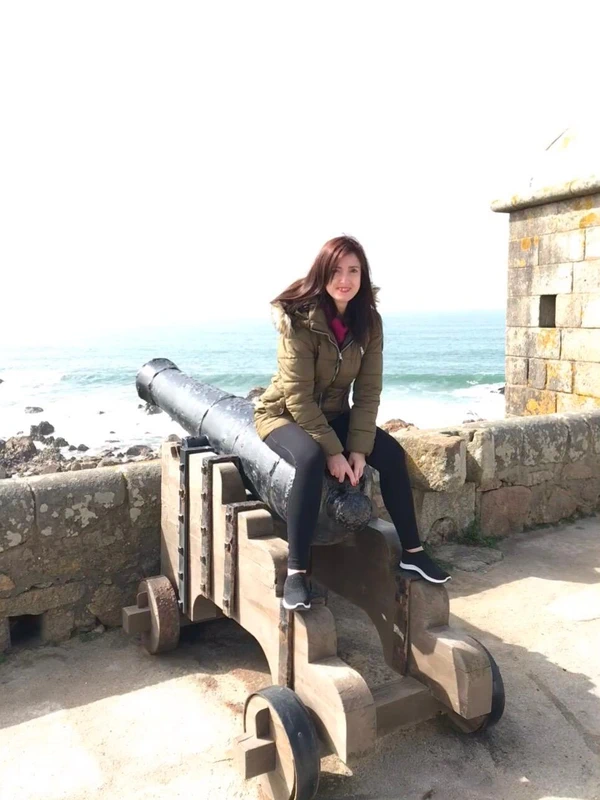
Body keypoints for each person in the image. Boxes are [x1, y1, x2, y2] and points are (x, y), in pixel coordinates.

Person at [254, 235, 450, 611]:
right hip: (283, 414)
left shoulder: (368, 323)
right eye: (336, 271)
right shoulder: (299, 320)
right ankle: (297, 572)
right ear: (322, 274)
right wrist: (333, 451)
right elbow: (298, 398)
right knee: (310, 459)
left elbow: (368, 391)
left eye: (354, 271)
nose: (345, 279)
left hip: (334, 413)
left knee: (390, 455)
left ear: (363, 276)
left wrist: (358, 449)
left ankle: (413, 552)